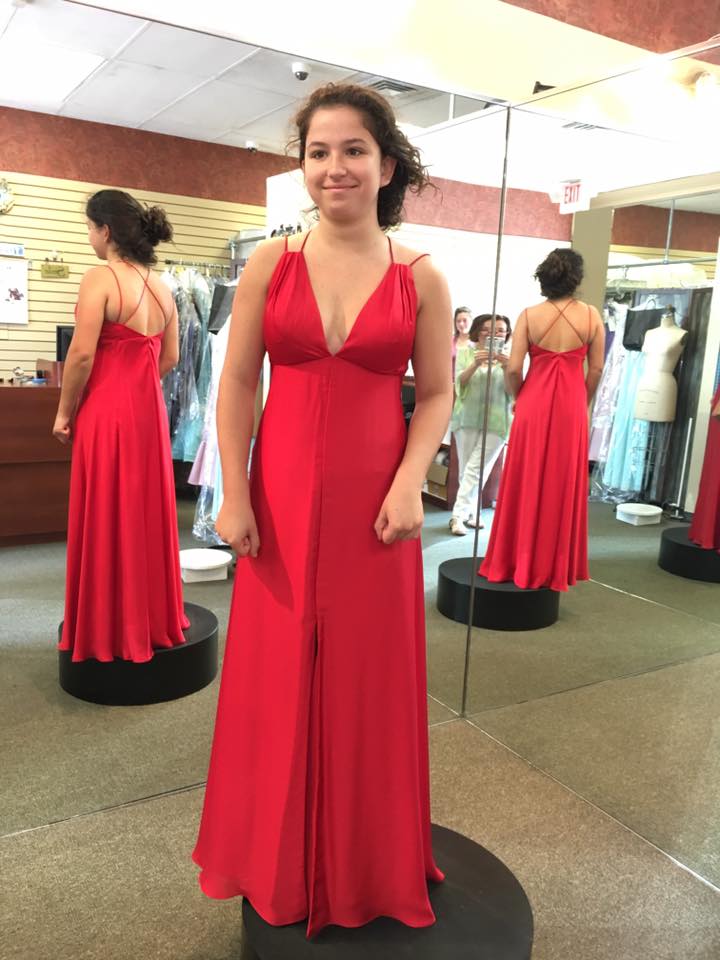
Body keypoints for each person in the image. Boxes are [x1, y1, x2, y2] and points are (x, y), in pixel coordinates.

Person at [192, 83, 452, 938]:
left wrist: (413, 477)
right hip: (282, 493)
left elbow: (439, 393)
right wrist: (233, 490)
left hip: (377, 501)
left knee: (367, 682)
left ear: (386, 164)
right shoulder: (272, 264)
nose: (334, 168)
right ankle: (272, 856)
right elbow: (236, 382)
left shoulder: (423, 276)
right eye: (317, 152)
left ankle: (365, 863)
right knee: (275, 677)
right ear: (303, 166)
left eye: (352, 151)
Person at [54, 189, 188, 662]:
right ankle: (149, 619)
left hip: (106, 413)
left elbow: (82, 354)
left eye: (90, 228)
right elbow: (169, 357)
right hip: (147, 412)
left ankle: (107, 624)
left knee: (107, 509)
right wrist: (137, 382)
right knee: (144, 511)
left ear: (105, 231)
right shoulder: (163, 287)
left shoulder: (101, 278)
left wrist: (64, 412)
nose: (89, 237)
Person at [480, 248, 605, 590]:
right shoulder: (592, 316)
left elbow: (515, 367)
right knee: (562, 481)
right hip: (572, 405)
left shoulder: (529, 315)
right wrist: (583, 399)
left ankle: (513, 559)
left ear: (544, 277)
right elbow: (595, 369)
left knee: (525, 476)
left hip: (532, 402)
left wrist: (519, 396)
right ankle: (556, 566)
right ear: (576, 279)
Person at [449, 313, 512, 535]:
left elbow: (514, 392)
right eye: (487, 329)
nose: (494, 334)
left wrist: (507, 368)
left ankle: (457, 515)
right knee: (468, 468)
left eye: (500, 331)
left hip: (497, 422)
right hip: (466, 418)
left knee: (477, 467)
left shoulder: (511, 358)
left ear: (506, 335)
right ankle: (473, 511)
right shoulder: (466, 353)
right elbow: (459, 384)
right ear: (477, 331)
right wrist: (476, 363)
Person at [451, 305, 472, 377]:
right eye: (458, 321)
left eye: (464, 320)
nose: (461, 324)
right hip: (452, 383)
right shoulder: (449, 341)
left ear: (471, 321)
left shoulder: (477, 341)